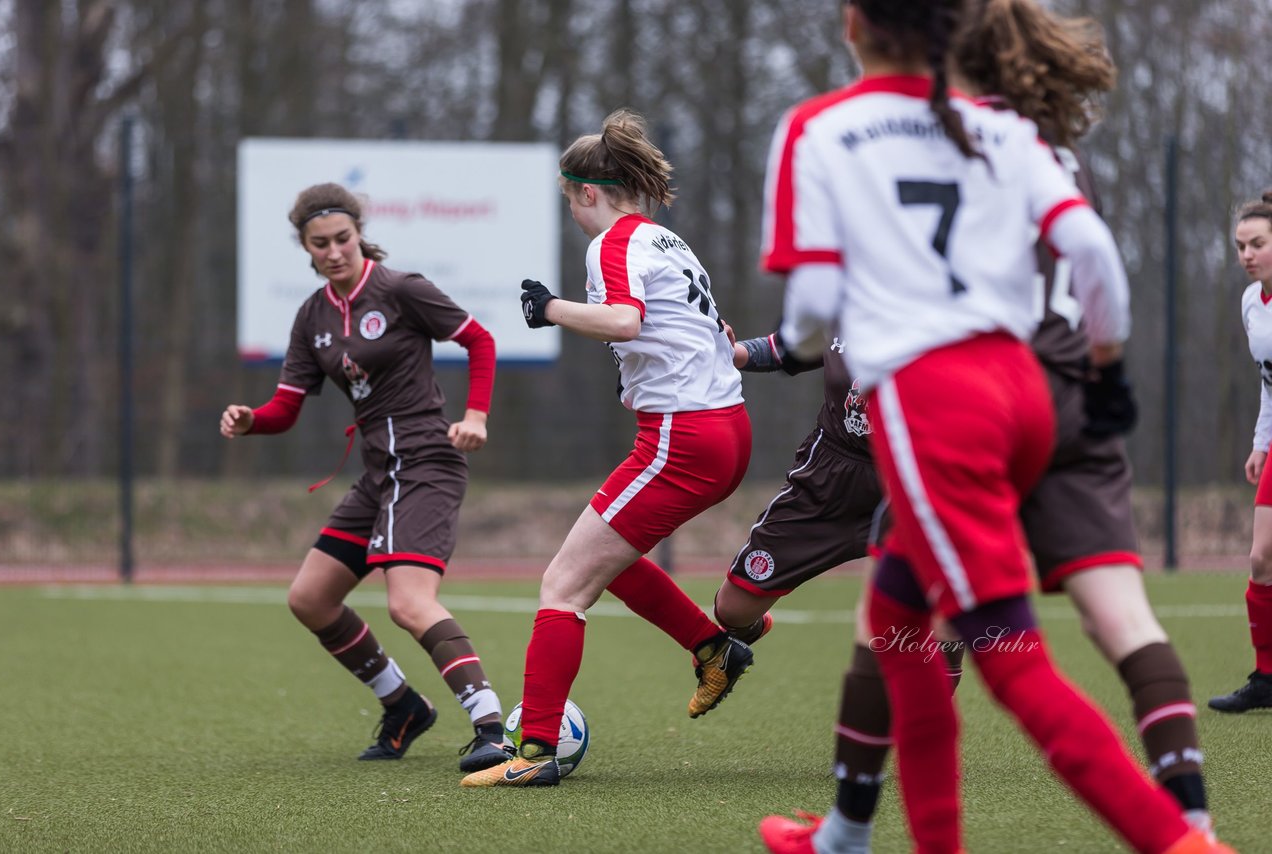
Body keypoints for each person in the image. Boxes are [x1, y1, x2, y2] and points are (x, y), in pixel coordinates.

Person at [750, 0, 1231, 852]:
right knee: (895, 608)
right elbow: (1093, 255)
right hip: (1031, 396)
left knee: (1011, 659)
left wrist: (784, 345)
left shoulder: (820, 126)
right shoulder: (1010, 133)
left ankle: (1181, 843)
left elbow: (814, 304)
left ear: (852, 26)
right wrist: (1111, 371)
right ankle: (845, 838)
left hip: (939, 412)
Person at [460, 108, 754, 788]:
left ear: (586, 192)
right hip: (723, 426)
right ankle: (713, 648)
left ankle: (533, 753)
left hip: (684, 433)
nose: (572, 214)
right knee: (607, 561)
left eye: (569, 201)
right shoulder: (667, 241)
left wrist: (552, 308)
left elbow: (625, 320)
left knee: (562, 586)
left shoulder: (613, 243)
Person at [219, 182, 512, 772]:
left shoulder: (400, 289)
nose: (334, 251)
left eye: (343, 239)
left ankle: (491, 727)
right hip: (379, 474)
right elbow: (286, 408)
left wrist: (475, 416)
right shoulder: (312, 316)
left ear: (359, 234)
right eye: (320, 243)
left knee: (408, 603)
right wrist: (251, 420)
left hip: (427, 461)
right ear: (307, 250)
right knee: (310, 599)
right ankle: (403, 706)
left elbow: (479, 340)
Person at [1210, 189, 1272, 713]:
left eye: (1257, 243)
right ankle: (1267, 678)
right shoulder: (1252, 301)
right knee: (1261, 558)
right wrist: (1259, 442)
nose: (1247, 255)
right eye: (1240, 245)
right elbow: (1267, 381)